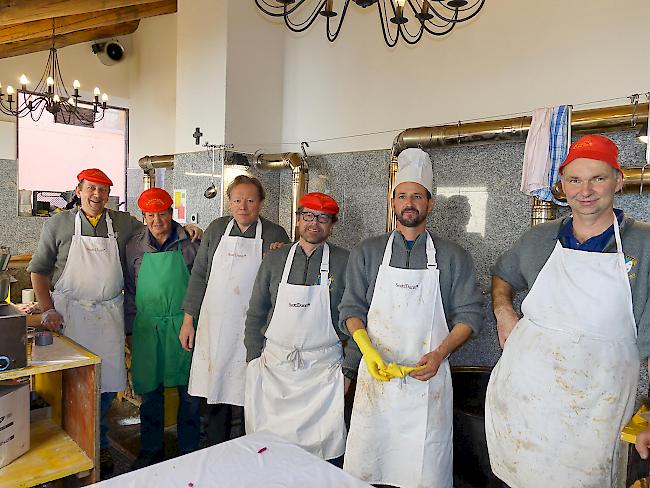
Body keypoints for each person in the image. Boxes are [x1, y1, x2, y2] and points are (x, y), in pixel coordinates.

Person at [485, 134, 650, 488]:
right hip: (524, 397)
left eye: (598, 178)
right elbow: (503, 274)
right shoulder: (539, 238)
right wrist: (503, 311)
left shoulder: (644, 244)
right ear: (562, 186)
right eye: (574, 180)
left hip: (594, 409)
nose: (585, 190)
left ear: (618, 181)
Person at [28, 169, 201, 476]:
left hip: (110, 317)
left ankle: (102, 445)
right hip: (71, 318)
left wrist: (190, 226)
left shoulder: (122, 224)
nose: (98, 195)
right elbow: (39, 271)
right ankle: (80, 447)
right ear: (78, 190)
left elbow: (163, 231)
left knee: (109, 386)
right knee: (74, 385)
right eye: (91, 188)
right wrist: (47, 309)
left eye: (104, 190)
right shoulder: (58, 224)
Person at [339, 148, 484, 488]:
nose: (409, 203)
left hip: (427, 382)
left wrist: (440, 353)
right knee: (369, 466)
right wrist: (368, 351)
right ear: (392, 203)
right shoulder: (367, 252)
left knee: (425, 471)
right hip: (377, 380)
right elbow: (351, 310)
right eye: (402, 195)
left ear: (430, 204)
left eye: (417, 196)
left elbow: (469, 315)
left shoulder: (453, 256)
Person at [244, 192, 360, 464]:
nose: (314, 223)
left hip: (324, 373)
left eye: (323, 218)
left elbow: (359, 318)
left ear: (332, 224)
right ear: (298, 220)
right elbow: (256, 312)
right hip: (274, 369)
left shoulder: (346, 262)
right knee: (270, 450)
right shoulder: (274, 259)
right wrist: (252, 359)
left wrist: (349, 370)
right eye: (307, 215)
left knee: (322, 455)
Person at [179, 174, 290, 445]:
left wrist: (277, 257)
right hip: (215, 326)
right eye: (238, 200)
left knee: (249, 393)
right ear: (229, 202)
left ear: (261, 203)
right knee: (216, 388)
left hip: (254, 329)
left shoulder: (275, 234)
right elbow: (200, 276)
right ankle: (216, 448)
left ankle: (247, 450)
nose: (243, 206)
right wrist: (188, 321)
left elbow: (283, 284)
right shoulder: (217, 229)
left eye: (250, 200)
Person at [124, 188, 201, 468]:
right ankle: (151, 449)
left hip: (184, 325)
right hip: (147, 327)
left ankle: (190, 447)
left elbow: (200, 285)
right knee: (150, 392)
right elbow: (130, 291)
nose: (157, 220)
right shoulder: (133, 246)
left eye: (162, 213)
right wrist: (130, 331)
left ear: (172, 213)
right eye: (150, 215)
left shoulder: (192, 242)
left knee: (189, 392)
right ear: (143, 217)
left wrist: (194, 321)